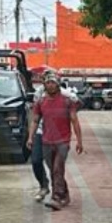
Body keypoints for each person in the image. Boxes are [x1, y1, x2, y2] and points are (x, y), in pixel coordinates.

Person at [25, 76, 83, 210]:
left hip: (63, 141)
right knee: (54, 170)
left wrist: (79, 141)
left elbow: (74, 120)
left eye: (53, 83)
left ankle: (56, 198)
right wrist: (30, 137)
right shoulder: (41, 102)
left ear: (58, 85)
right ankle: (64, 194)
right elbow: (35, 120)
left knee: (57, 168)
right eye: (47, 83)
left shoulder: (67, 101)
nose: (50, 85)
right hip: (46, 140)